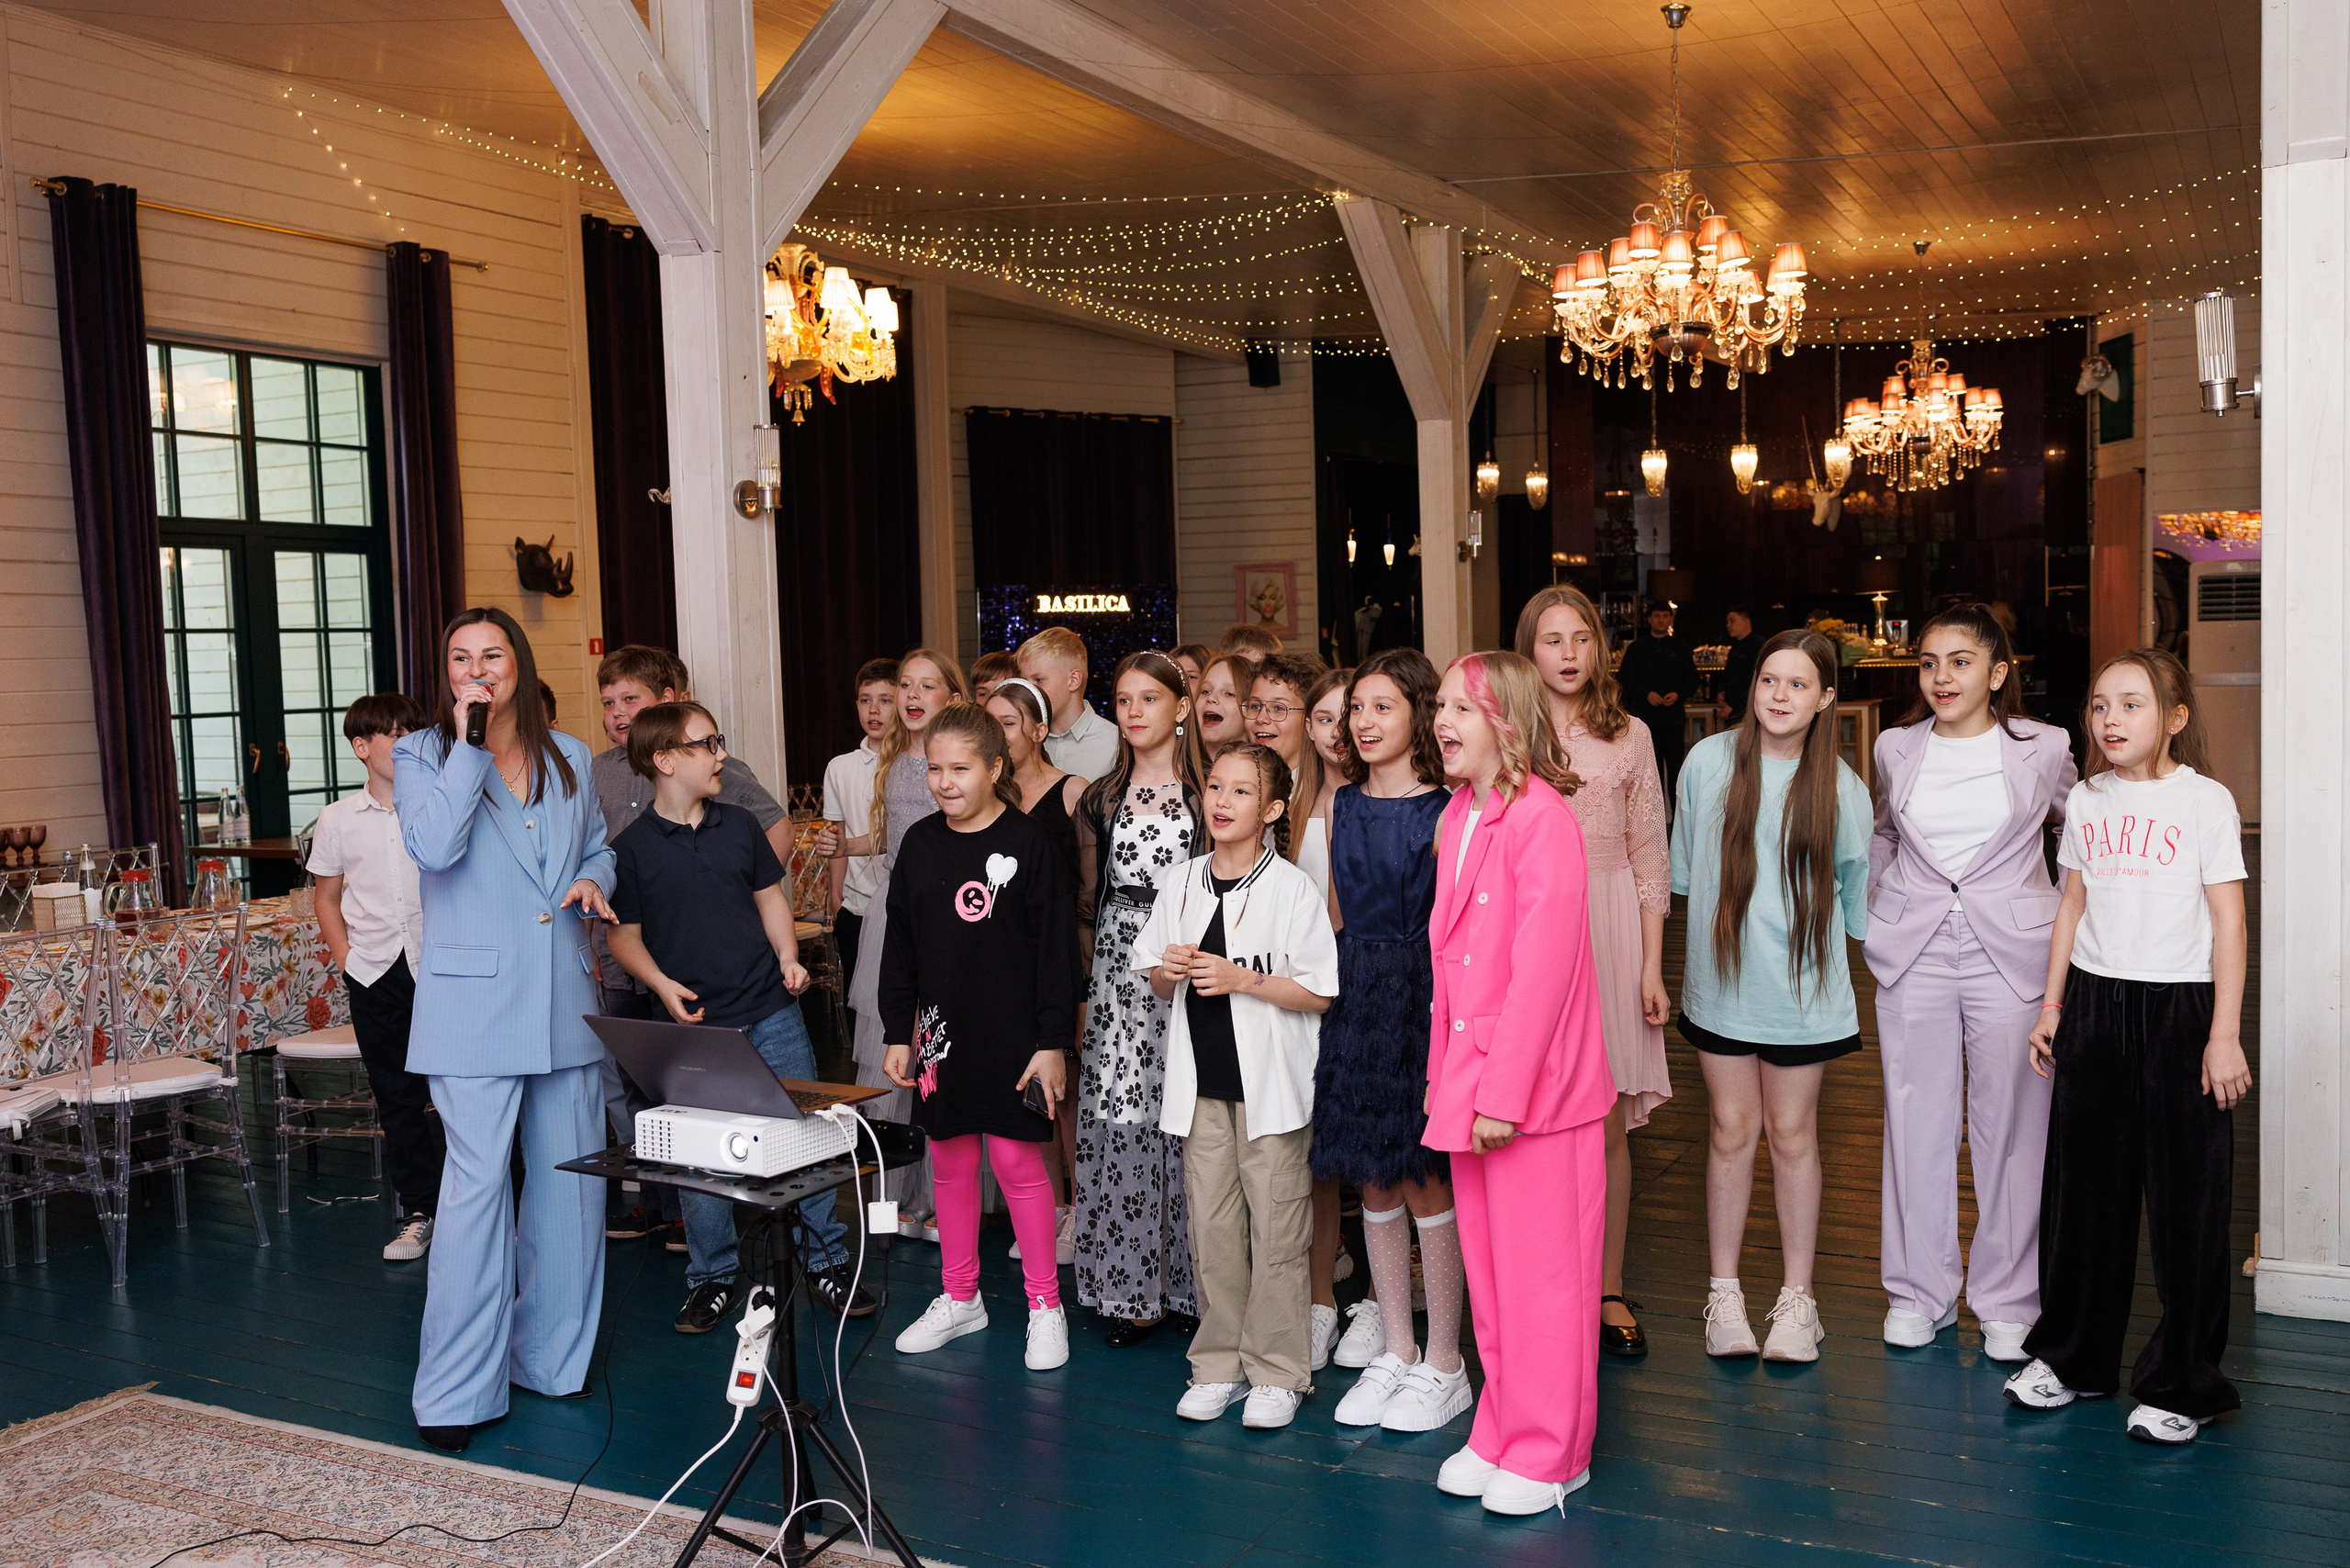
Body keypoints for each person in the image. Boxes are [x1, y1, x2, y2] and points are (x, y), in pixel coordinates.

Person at [2003, 648, 2249, 1446]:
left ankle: (2185, 1382)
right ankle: (2072, 1361)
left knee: (2188, 1206)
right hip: (2096, 1005)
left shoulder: (2205, 802)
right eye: (2101, 705)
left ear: (2174, 718)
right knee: (2084, 1196)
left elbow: (2229, 924)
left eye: (2132, 705)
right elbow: (2071, 905)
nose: (2111, 719)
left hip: (2181, 1010)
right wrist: (2052, 1007)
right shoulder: (2085, 799)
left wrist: (2223, 1035)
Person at [394, 608, 614, 1455]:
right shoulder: (423, 755)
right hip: (473, 1008)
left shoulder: (573, 756)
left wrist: (593, 879)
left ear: (517, 663)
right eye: (460, 658)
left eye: (491, 655)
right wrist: (468, 748)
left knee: (570, 1190)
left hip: (565, 994)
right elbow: (436, 849)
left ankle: (551, 1360)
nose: (476, 669)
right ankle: (455, 1390)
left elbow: (599, 849)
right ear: (446, 673)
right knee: (478, 1191)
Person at [603, 700, 871, 1329]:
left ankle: (826, 1260)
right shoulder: (631, 850)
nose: (721, 754)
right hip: (693, 1029)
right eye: (707, 744)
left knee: (803, 1136)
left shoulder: (740, 826)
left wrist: (787, 956)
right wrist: (663, 986)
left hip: (772, 1010)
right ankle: (712, 1277)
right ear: (665, 760)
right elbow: (623, 938)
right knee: (701, 1160)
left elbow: (770, 899)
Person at [1425, 651, 1612, 1516]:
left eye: (1462, 706)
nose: (1442, 721)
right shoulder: (1458, 815)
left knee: (1545, 1281)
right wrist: (1445, 1083)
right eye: (1439, 706)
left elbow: (1543, 973)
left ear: (1509, 720)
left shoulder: (1544, 819)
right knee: (1493, 1276)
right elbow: (1450, 965)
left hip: (1533, 1092)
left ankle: (1554, 1450)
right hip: (1468, 1077)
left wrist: (1501, 1094)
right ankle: (1500, 1427)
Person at [1866, 604, 2076, 1363]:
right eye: (1928, 662)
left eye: (1959, 661)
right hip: (1916, 948)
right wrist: (1882, 913)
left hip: (2013, 952)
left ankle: (2008, 1300)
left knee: (2014, 1128)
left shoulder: (2045, 747)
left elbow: (2076, 833)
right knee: (1914, 1120)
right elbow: (1886, 833)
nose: (1941, 677)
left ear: (1996, 672)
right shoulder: (1895, 747)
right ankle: (1917, 1293)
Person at [1671, 630, 1871, 1365]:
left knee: (1793, 1135)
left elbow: (1857, 894)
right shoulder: (1707, 762)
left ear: (1824, 699)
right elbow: (1685, 871)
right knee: (1729, 1130)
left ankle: (1798, 1300)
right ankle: (1724, 1295)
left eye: (1797, 685)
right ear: (1751, 689)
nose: (1780, 696)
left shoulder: (1843, 788)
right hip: (1721, 985)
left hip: (1802, 992)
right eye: (1768, 681)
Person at [1136, 744, 1338, 1430]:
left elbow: (1317, 991)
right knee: (1215, 1231)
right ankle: (1217, 1363)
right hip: (1201, 1090)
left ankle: (1280, 1372)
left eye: (1241, 792)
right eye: (1215, 787)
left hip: (1272, 1091)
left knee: (1280, 1232)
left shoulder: (1291, 889)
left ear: (1273, 809)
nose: (1221, 801)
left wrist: (1243, 979)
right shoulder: (1183, 881)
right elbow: (1158, 982)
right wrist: (1168, 971)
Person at [883, 702, 1079, 1373]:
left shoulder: (1030, 844)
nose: (944, 781)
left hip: (1017, 1035)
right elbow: (901, 943)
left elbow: (1057, 950)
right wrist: (898, 1028)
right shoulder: (919, 843)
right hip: (940, 1035)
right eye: (934, 768)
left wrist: (1052, 1039)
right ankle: (959, 1294)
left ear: (995, 768)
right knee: (949, 1162)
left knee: (1021, 1167)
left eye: (960, 768)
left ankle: (1045, 1305)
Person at [589, 644, 794, 1247]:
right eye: (608, 703)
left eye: (632, 699)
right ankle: (661, 1200)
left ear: (668, 705)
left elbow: (773, 831)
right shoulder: (595, 771)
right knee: (643, 1095)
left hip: (702, 967)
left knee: (716, 1099)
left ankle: (710, 1211)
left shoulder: (714, 766)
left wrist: (739, 906)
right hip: (621, 960)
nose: (619, 713)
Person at [1313, 649, 1471, 1429]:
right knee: (1371, 1178)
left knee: (1423, 1178)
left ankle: (1447, 1358)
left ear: (1419, 712)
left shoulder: (1445, 809)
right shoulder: (1342, 803)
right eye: (1356, 710)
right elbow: (1340, 912)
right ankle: (1398, 1350)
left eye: (1381, 707)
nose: (1364, 722)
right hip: (1357, 989)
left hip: (1422, 993)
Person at [1516, 585, 1673, 1359]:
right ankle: (1544, 1283)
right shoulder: (1506, 732)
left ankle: (1607, 1286)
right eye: (1553, 639)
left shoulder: (1632, 733)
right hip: (1531, 926)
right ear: (1529, 650)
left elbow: (1650, 852)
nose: (1570, 653)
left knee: (1605, 1116)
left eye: (1582, 638)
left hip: (1610, 923)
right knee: (1534, 1116)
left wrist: (1651, 964)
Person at [1072, 650, 1206, 1344]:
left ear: (1181, 708)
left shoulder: (1208, 793)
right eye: (1123, 700)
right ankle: (1131, 1290)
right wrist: (1092, 992)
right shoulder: (1102, 796)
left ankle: (1191, 1288)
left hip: (1189, 960)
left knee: (1185, 1116)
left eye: (1149, 699)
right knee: (1125, 1112)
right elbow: (1091, 904)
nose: (1134, 712)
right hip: (1123, 970)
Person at [308, 691, 442, 1263]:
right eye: (394, 733)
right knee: (398, 1097)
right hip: (376, 971)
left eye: (416, 730)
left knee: (464, 1093)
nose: (409, 742)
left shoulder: (441, 806)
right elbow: (326, 896)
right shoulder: (338, 819)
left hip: (442, 966)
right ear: (362, 747)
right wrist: (347, 960)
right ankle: (420, 1212)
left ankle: (491, 1212)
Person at [845, 648, 968, 1231]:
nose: (913, 696)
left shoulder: (959, 763)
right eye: (905, 685)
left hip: (942, 909)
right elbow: (892, 838)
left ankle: (939, 1197)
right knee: (889, 1050)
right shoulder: (893, 763)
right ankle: (890, 1200)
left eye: (927, 686)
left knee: (940, 1052)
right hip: (892, 914)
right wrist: (846, 845)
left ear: (952, 699)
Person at [987, 678, 1089, 1266]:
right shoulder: (988, 798)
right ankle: (1046, 1209)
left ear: (1038, 730)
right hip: (1006, 959)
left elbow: (1087, 886)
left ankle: (1080, 1208)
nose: (997, 732)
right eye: (990, 721)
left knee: (1067, 1087)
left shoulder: (1072, 792)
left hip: (1063, 953)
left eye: (1007, 721)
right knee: (1030, 1089)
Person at [822, 658, 899, 982]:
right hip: (855, 909)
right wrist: (836, 898)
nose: (874, 711)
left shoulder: (914, 763)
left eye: (885, 701)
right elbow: (837, 836)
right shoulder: (839, 767)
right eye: (866, 700)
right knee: (860, 1008)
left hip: (900, 907)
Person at [1618, 599, 1696, 801]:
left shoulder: (1681, 647)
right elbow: (1624, 680)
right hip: (1645, 719)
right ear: (1650, 619)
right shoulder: (1636, 648)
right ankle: (1652, 818)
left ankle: (1677, 819)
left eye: (1665, 616)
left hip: (1673, 718)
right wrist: (1646, 694)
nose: (1661, 620)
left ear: (1670, 619)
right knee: (1648, 772)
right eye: (1657, 616)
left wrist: (1678, 694)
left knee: (1676, 768)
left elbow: (1693, 680)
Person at [1016, 626, 1118, 780]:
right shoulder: (1021, 739)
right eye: (1025, 682)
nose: (1030, 690)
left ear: (1073, 681)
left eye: (1039, 680)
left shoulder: (1115, 745)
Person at [1194, 653, 1255, 756]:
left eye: (1229, 694)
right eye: (1206, 691)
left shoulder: (1265, 769)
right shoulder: (1180, 767)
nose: (1211, 698)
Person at [1718, 605, 1761, 725]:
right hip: (1732, 710)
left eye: (1732, 621)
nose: (1728, 625)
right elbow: (1728, 674)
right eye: (1727, 622)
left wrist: (1731, 705)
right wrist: (1722, 691)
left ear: (1746, 621)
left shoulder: (1758, 644)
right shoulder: (1734, 648)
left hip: (1747, 710)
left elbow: (1752, 679)